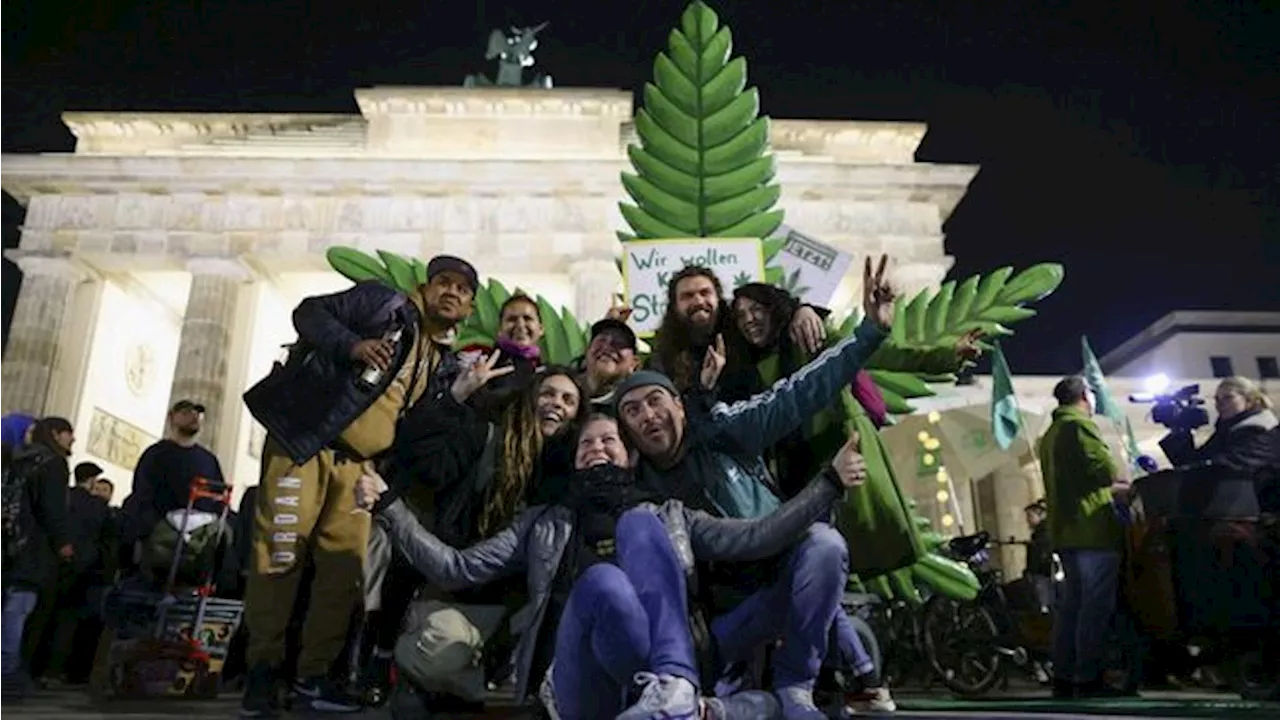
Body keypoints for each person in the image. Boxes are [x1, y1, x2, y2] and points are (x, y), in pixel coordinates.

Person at [358, 412, 871, 719]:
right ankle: (703, 705)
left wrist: (828, 483)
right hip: (579, 681)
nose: (597, 448)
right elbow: (454, 568)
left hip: (673, 664)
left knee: (641, 525)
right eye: (586, 443)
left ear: (628, 456)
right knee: (604, 581)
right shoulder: (543, 523)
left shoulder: (668, 516)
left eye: (609, 441)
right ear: (575, 459)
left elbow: (760, 537)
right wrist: (389, 508)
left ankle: (682, 692)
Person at [613, 256, 897, 720]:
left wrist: (869, 331)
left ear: (681, 407)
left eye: (656, 402)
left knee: (824, 544)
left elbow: (798, 393)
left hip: (776, 585)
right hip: (712, 629)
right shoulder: (637, 488)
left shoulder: (726, 429)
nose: (648, 416)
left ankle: (796, 684)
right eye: (633, 411)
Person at [239, 254, 476, 717]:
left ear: (468, 310)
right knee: (281, 555)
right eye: (444, 282)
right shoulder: (383, 304)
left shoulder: (437, 359)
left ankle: (314, 676)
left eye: (463, 291)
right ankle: (262, 674)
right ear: (425, 287)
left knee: (342, 574)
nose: (452, 292)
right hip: (305, 443)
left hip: (359, 468)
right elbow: (308, 312)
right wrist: (352, 346)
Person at [363, 366, 583, 709]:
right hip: (462, 590)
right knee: (438, 654)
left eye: (569, 400)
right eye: (548, 393)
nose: (557, 404)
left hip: (519, 605)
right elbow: (422, 460)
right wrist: (454, 398)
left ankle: (475, 677)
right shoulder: (485, 437)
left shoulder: (572, 470)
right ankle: (424, 673)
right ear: (530, 397)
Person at [1038, 376, 1128, 699]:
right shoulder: (1080, 427)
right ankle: (1089, 676)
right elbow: (1106, 471)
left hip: (1064, 531)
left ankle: (1064, 676)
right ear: (1085, 397)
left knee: (1071, 608)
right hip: (1091, 529)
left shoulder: (1050, 434)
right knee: (1094, 608)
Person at [0, 417, 73, 701]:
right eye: (69, 434)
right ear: (55, 434)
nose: (72, 440)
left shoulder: (15, 459)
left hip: (8, 544)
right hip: (32, 548)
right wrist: (63, 542)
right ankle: (7, 674)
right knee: (18, 611)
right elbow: (52, 508)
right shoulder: (52, 463)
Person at [121, 400, 225, 550]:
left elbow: (218, 497)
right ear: (171, 417)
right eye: (186, 412)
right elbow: (142, 493)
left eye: (197, 413)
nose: (194, 416)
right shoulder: (155, 454)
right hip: (162, 536)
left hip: (201, 538)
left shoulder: (209, 460)